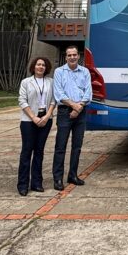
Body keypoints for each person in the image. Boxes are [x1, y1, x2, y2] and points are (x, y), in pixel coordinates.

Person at [52, 45, 92, 191]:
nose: (72, 57)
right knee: (60, 147)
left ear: (79, 56)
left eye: (75, 55)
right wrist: (73, 106)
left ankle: (72, 175)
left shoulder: (85, 72)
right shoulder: (59, 72)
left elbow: (88, 92)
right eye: (69, 55)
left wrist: (79, 107)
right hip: (64, 112)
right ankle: (57, 178)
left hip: (80, 112)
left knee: (77, 146)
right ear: (66, 56)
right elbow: (58, 93)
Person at [17, 57, 56, 195]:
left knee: (39, 152)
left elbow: (53, 100)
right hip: (28, 121)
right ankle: (22, 184)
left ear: (46, 68)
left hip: (45, 120)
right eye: (38, 64)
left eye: (43, 65)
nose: (41, 67)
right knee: (27, 151)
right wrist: (33, 117)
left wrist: (47, 116)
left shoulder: (51, 82)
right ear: (33, 67)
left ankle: (36, 183)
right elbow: (22, 101)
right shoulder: (26, 82)